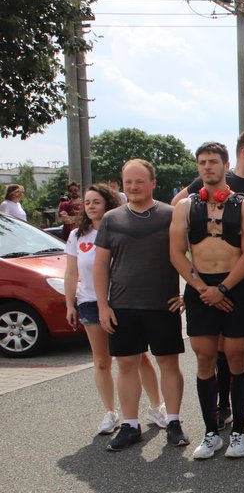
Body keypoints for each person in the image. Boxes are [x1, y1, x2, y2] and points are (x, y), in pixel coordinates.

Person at [176, 131, 244, 434]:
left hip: (243, 283)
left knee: (243, 351)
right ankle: (215, 420)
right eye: (202, 163)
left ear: (226, 164)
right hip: (203, 287)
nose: (207, 167)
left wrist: (223, 288)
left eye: (213, 162)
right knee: (208, 355)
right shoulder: (190, 200)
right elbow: (175, 245)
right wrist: (200, 287)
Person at [94, 159, 188, 451]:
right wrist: (103, 306)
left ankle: (173, 422)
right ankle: (130, 424)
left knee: (169, 364)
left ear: (153, 183)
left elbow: (191, 254)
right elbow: (100, 266)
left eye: (139, 181)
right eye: (128, 181)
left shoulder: (171, 215)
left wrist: (190, 292)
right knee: (126, 365)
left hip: (164, 305)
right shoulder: (112, 218)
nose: (133, 187)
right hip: (123, 306)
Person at [65, 183, 166, 435]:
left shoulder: (120, 227)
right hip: (90, 303)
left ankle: (157, 407)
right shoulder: (78, 236)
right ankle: (111, 412)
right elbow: (71, 271)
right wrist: (69, 303)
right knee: (101, 362)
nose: (90, 207)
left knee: (139, 357)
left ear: (108, 203)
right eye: (87, 203)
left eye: (96, 202)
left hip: (124, 301)